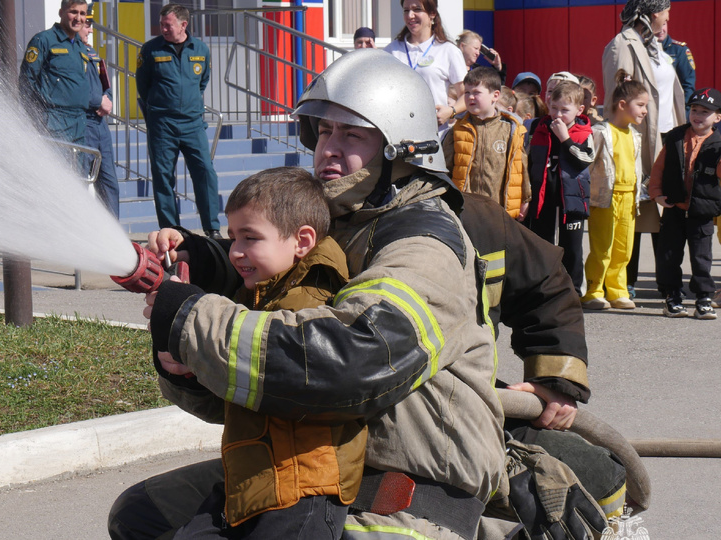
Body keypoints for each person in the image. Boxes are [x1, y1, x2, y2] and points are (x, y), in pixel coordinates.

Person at [111, 50, 609, 540]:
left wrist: (195, 321)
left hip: (403, 478)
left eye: (351, 133)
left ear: (401, 146)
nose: (329, 147)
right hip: (315, 455)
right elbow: (274, 367)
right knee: (143, 516)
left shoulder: (423, 242)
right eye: (323, 130)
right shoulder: (335, 225)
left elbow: (346, 359)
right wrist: (194, 335)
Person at [171, 167, 365, 539]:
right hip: (257, 479)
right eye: (232, 238)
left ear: (302, 241)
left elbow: (281, 373)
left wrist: (197, 329)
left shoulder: (303, 305)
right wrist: (187, 365)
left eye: (250, 238)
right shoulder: (262, 292)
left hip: (301, 490)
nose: (237, 252)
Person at [602, 0, 686, 298]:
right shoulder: (623, 44)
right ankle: (628, 280)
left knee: (667, 208)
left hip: (668, 135)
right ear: (652, 14)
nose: (667, 18)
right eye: (666, 12)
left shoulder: (655, 46)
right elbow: (616, 98)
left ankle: (666, 281)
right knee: (639, 209)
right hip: (640, 137)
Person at [136, 3, 222, 238]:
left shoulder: (201, 49)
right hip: (163, 124)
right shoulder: (150, 50)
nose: (163, 28)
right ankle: (171, 229)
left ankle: (212, 228)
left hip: (192, 123)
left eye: (168, 24)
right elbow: (143, 86)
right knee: (163, 177)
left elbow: (202, 82)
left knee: (205, 172)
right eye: (161, 24)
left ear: (183, 25)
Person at [648, 88, 721, 319]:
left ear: (718, 117)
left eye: (705, 112)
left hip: (702, 211)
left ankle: (703, 298)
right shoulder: (675, 137)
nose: (698, 115)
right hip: (674, 208)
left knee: (701, 258)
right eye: (694, 110)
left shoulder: (718, 143)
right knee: (669, 255)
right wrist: (657, 193)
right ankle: (673, 297)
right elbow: (659, 168)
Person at [582, 76, 650, 311]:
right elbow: (589, 165)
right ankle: (593, 290)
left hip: (629, 198)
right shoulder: (601, 132)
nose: (645, 111)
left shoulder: (635, 136)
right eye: (641, 105)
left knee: (623, 247)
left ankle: (618, 290)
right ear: (622, 104)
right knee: (603, 246)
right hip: (605, 199)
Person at [524, 81, 596, 294]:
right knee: (543, 244)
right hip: (543, 195)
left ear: (579, 109)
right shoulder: (539, 127)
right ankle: (542, 288)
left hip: (572, 197)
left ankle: (572, 290)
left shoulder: (583, 131)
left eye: (565, 110)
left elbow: (586, 158)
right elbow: (527, 160)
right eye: (554, 108)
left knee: (571, 247)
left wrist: (565, 139)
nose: (558, 114)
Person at [442, 66, 529, 219]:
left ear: (495, 96)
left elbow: (520, 167)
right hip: (466, 209)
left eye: (476, 93)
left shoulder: (511, 130)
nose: (470, 97)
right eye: (467, 92)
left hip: (498, 210)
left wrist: (525, 199)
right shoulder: (458, 129)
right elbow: (446, 168)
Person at [384, 0, 468, 135]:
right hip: (398, 135)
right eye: (406, 10)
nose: (410, 15)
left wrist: (450, 111)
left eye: (417, 9)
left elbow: (466, 94)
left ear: (432, 13)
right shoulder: (391, 51)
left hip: (435, 137)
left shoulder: (448, 50)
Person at [18, 0, 91, 145]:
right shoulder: (44, 40)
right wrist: (35, 115)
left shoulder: (80, 47)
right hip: (54, 119)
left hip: (80, 120)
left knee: (77, 168)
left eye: (82, 13)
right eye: (73, 12)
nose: (78, 18)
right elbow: (26, 80)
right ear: (61, 13)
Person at [78, 19, 119, 218]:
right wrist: (97, 102)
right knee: (81, 181)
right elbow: (71, 90)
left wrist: (108, 99)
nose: (90, 30)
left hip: (100, 125)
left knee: (109, 182)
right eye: (87, 25)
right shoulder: (68, 53)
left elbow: (105, 83)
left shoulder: (92, 52)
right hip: (83, 123)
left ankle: (114, 234)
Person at [657, 21, 696, 116]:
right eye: (657, 25)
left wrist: (684, 113)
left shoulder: (679, 50)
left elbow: (688, 85)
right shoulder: (642, 49)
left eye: (663, 24)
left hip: (673, 111)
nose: (661, 30)